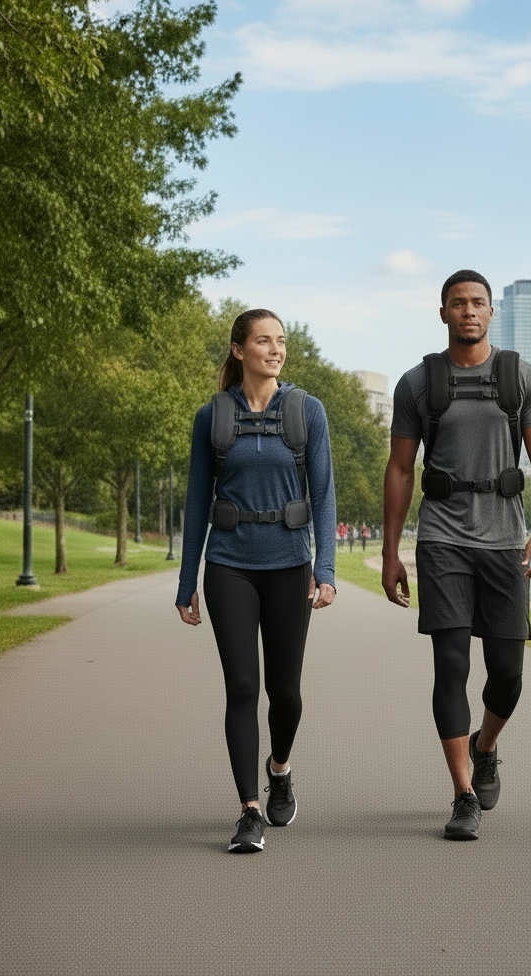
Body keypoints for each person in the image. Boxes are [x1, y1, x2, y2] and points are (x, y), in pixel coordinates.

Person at [383, 269, 531, 841]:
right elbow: (402, 469)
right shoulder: (417, 384)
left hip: (506, 541)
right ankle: (462, 794)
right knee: (451, 666)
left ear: (490, 312)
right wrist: (391, 552)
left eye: (478, 303)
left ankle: (486, 747)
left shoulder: (520, 378)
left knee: (507, 673)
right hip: (443, 540)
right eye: (457, 303)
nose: (468, 312)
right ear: (443, 313)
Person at [175, 308, 336, 854]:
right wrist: (185, 581)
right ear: (239, 349)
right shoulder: (211, 417)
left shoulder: (308, 411)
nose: (275, 349)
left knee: (284, 692)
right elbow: (197, 502)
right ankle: (248, 810)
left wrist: (327, 570)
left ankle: (280, 767)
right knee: (242, 686)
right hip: (229, 565)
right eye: (264, 341)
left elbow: (324, 494)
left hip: (290, 564)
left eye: (281, 341)